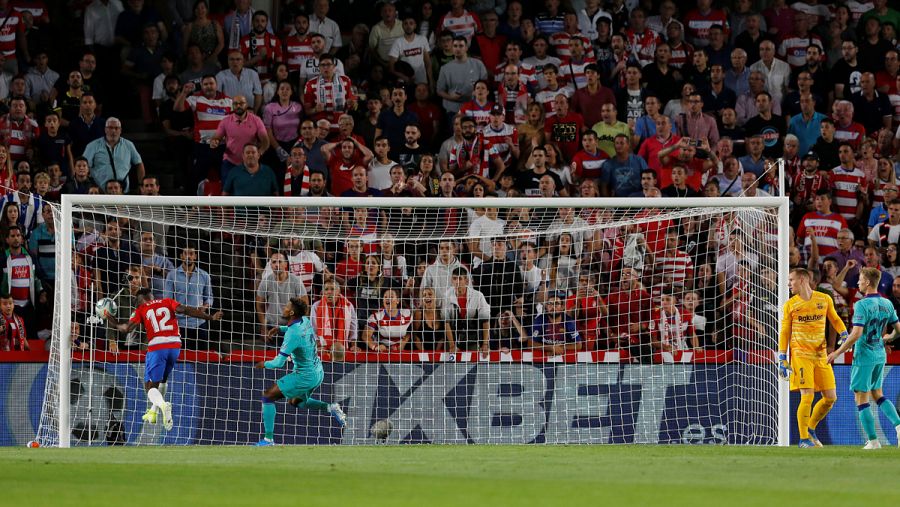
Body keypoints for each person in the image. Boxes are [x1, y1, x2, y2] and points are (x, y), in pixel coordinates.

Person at [104, 288, 223, 430]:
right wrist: (210, 317)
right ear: (152, 296)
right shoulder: (167, 301)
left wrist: (110, 318)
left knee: (149, 387)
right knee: (162, 380)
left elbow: (125, 329)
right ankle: (153, 411)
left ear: (138, 300)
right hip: (175, 345)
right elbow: (185, 310)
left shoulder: (141, 309)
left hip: (157, 346)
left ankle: (162, 405)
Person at [254, 297, 346, 445]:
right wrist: (280, 329)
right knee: (296, 401)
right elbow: (295, 330)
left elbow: (279, 363)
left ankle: (268, 439)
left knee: (268, 396)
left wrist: (263, 364)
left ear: (291, 312)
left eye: (286, 306)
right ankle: (330, 407)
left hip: (305, 375)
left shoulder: (293, 334)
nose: (283, 307)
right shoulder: (305, 320)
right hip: (318, 371)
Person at [827, 267, 900, 449]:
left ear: (867, 282)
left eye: (860, 280)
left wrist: (838, 352)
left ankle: (874, 441)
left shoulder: (861, 304)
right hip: (879, 355)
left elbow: (856, 333)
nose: (858, 283)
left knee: (861, 398)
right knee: (878, 393)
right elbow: (898, 329)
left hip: (864, 356)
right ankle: (899, 425)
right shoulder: (887, 303)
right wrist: (889, 338)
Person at [778, 268, 848, 448]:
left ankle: (810, 428)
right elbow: (785, 332)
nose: (789, 284)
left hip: (821, 355)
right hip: (801, 355)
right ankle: (803, 439)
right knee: (807, 396)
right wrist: (782, 357)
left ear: (802, 280)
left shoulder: (824, 299)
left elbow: (835, 319)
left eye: (791, 280)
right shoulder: (790, 305)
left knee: (830, 397)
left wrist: (844, 334)